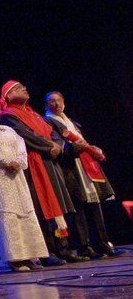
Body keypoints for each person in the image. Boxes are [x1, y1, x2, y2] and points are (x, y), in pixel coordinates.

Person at [0, 80, 88, 265]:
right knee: (43, 206)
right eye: (18, 88)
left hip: (49, 161)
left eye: (24, 86)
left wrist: (61, 146)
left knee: (58, 205)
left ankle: (63, 248)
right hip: (34, 163)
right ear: (8, 95)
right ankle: (48, 251)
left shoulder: (34, 114)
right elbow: (27, 135)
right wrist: (50, 146)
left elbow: (51, 132)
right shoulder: (9, 116)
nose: (24, 88)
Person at [0, 101, 48, 272]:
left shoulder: (9, 130)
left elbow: (21, 148)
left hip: (16, 177)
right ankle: (14, 259)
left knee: (24, 212)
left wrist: (18, 162)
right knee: (6, 215)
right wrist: (5, 162)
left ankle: (30, 256)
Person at [44, 91, 122, 258]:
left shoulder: (70, 121)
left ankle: (102, 244)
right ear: (46, 105)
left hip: (85, 166)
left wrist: (92, 148)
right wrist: (79, 147)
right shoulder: (48, 121)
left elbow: (81, 141)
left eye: (59, 100)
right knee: (78, 207)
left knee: (94, 206)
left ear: (64, 103)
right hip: (70, 167)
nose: (56, 104)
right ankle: (84, 247)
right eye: (52, 101)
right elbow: (59, 146)